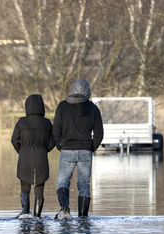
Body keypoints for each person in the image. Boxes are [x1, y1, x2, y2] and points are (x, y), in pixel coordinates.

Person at [52, 78, 103, 218]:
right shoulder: (93, 108)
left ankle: (64, 210)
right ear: (88, 92)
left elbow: (55, 129)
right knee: (84, 185)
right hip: (85, 150)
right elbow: (99, 133)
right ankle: (83, 218)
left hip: (67, 149)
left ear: (73, 90)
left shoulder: (62, 106)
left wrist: (59, 145)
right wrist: (91, 147)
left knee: (63, 182)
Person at [11, 94, 57, 219]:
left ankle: (25, 213)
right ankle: (37, 216)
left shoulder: (21, 122)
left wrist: (22, 151)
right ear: (42, 107)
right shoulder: (47, 123)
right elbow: (54, 140)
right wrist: (45, 149)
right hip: (41, 159)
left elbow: (14, 140)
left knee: (25, 188)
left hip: (24, 160)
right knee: (39, 190)